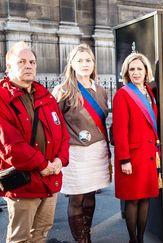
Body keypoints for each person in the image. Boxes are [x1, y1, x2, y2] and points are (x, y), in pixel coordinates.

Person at [0, 41, 70, 242]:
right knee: (20, 238)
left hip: (50, 179)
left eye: (32, 61)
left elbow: (63, 135)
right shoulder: (3, 97)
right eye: (21, 61)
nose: (28, 65)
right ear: (9, 67)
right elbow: (11, 146)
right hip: (25, 183)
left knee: (41, 234)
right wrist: (43, 165)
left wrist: (60, 161)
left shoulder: (45, 95)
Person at [52, 43, 111, 242]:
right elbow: (52, 122)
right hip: (75, 153)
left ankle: (87, 233)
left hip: (97, 152)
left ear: (94, 63)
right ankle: (81, 240)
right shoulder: (63, 90)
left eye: (88, 60)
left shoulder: (101, 91)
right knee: (77, 197)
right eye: (80, 61)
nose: (85, 64)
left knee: (91, 196)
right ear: (72, 64)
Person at [112, 53, 159, 243]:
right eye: (132, 69)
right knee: (132, 200)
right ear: (127, 72)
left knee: (145, 199)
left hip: (148, 155)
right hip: (131, 157)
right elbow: (120, 130)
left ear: (146, 71)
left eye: (140, 68)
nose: (136, 72)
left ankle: (141, 238)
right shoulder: (122, 94)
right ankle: (133, 240)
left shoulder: (149, 92)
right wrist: (124, 159)